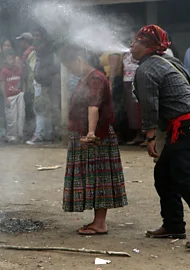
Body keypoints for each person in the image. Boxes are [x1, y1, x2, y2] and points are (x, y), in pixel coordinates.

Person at [131, 25, 190, 248]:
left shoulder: (146, 69)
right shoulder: (169, 61)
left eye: (135, 41)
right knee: (163, 173)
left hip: (188, 126)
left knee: (182, 177)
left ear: (147, 46)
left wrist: (150, 136)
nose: (130, 46)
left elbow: (149, 106)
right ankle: (173, 225)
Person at [59, 44, 127, 235]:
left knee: (99, 179)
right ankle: (97, 222)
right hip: (88, 136)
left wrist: (90, 133)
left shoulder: (96, 78)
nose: (70, 70)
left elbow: (93, 106)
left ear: (79, 60)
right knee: (95, 179)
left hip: (96, 138)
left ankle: (99, 223)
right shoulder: (87, 78)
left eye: (70, 65)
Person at [26, 28, 57, 145]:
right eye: (34, 36)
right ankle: (47, 134)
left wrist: (43, 81)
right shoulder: (40, 50)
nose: (35, 38)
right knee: (45, 109)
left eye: (37, 36)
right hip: (40, 82)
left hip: (43, 83)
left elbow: (49, 67)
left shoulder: (46, 49)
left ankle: (38, 135)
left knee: (39, 108)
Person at [0, 50, 25, 143]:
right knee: (11, 118)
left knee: (21, 115)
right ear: (5, 60)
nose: (11, 60)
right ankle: (11, 137)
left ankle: (20, 135)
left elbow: (22, 81)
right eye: (9, 58)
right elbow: (2, 85)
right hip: (10, 97)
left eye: (12, 58)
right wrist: (5, 98)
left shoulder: (18, 70)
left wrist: (23, 92)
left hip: (19, 95)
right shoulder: (4, 71)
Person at [17, 32, 37, 138]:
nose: (20, 43)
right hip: (29, 85)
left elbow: (31, 71)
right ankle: (31, 132)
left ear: (25, 41)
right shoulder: (28, 52)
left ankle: (32, 133)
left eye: (21, 40)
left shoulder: (30, 52)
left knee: (31, 109)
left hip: (31, 86)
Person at [122, 50, 144, 145]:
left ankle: (147, 136)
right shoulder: (127, 53)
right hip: (127, 81)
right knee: (132, 111)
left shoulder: (140, 54)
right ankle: (138, 135)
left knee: (140, 109)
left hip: (136, 81)